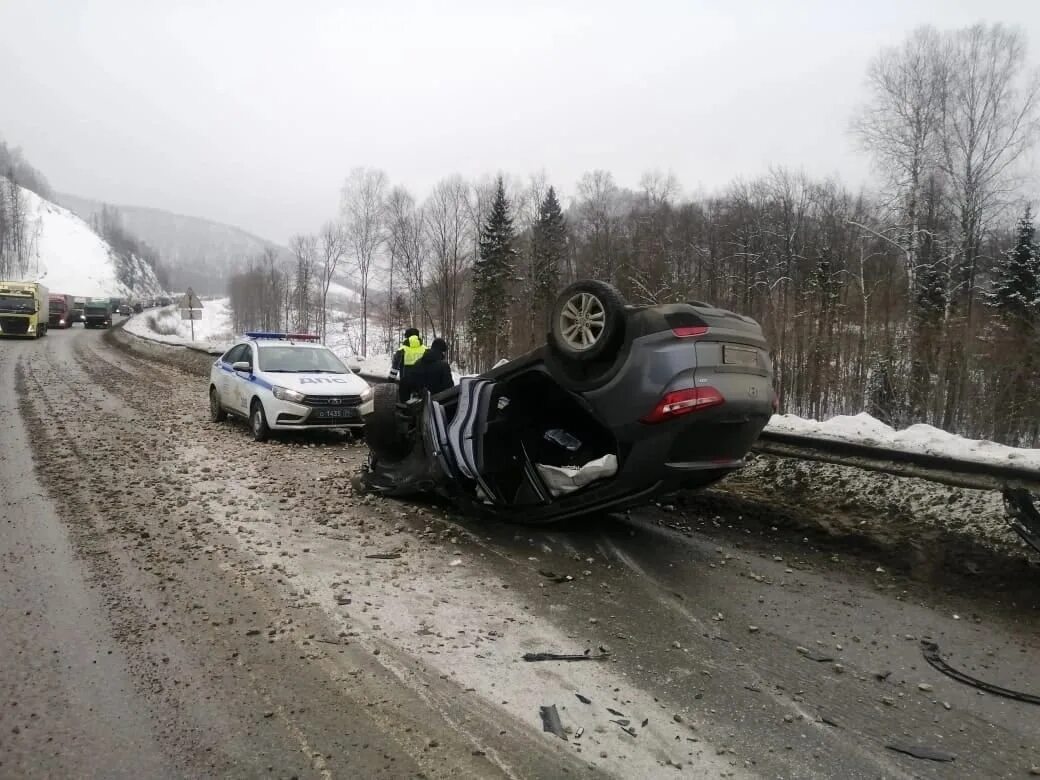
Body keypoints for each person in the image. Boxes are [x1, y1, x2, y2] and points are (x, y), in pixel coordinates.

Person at [391, 328, 427, 400]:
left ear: (406, 337)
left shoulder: (402, 349)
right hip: (422, 382)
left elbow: (395, 367)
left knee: (405, 404)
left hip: (405, 382)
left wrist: (391, 380)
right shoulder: (425, 349)